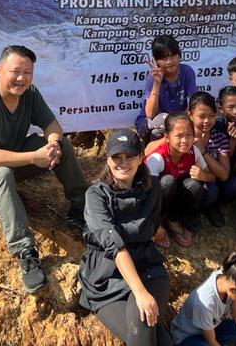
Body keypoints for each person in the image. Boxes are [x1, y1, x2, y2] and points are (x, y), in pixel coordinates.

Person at [0, 45, 87, 293]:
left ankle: (81, 206)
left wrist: (52, 144)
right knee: (1, 174)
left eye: (27, 73)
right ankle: (25, 252)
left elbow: (53, 126)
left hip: (14, 156)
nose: (21, 78)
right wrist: (33, 157)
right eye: (15, 71)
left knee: (63, 145)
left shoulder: (30, 93)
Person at [79, 128, 172, 346]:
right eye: (116, 157)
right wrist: (140, 293)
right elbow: (114, 245)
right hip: (107, 276)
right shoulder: (96, 195)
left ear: (140, 158)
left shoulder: (153, 189)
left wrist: (143, 291)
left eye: (129, 156)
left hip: (147, 268)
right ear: (107, 159)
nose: (123, 163)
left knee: (143, 325)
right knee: (156, 338)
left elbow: (152, 225)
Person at [171, 253, 236, 346]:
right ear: (233, 290)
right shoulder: (206, 303)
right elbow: (211, 341)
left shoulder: (231, 277)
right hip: (188, 337)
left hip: (213, 328)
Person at [145, 112, 207, 247]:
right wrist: (156, 225)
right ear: (167, 138)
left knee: (194, 185)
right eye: (179, 136)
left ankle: (173, 220)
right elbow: (148, 194)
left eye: (189, 135)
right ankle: (158, 222)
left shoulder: (193, 151)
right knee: (168, 182)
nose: (184, 141)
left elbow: (210, 175)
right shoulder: (157, 157)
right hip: (154, 197)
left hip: (173, 197)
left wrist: (203, 176)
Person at [135, 34, 196, 141]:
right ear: (156, 61)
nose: (169, 61)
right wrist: (157, 83)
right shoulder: (153, 77)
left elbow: (194, 104)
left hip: (175, 120)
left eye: (172, 56)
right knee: (164, 122)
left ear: (179, 55)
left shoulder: (187, 72)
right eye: (163, 58)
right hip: (150, 122)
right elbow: (150, 114)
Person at [188, 92, 236, 227]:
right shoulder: (185, 137)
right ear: (190, 115)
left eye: (211, 116)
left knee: (235, 185)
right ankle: (189, 212)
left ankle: (211, 206)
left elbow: (224, 175)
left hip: (211, 181)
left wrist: (202, 151)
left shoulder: (219, 137)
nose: (207, 121)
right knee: (193, 186)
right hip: (190, 183)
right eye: (201, 116)